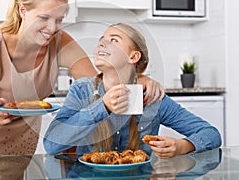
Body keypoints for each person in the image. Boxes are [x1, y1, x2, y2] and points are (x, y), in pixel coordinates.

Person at [0, 0, 164, 157]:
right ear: (22, 11)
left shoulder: (58, 41)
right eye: (44, 18)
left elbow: (98, 83)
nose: (52, 28)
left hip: (28, 135)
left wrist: (136, 78)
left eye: (59, 20)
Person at [43, 23, 221, 159]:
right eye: (101, 40)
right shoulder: (82, 91)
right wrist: (102, 106)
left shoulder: (152, 98)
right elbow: (51, 144)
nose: (102, 44)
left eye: (113, 40)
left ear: (133, 56)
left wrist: (183, 146)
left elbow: (211, 134)